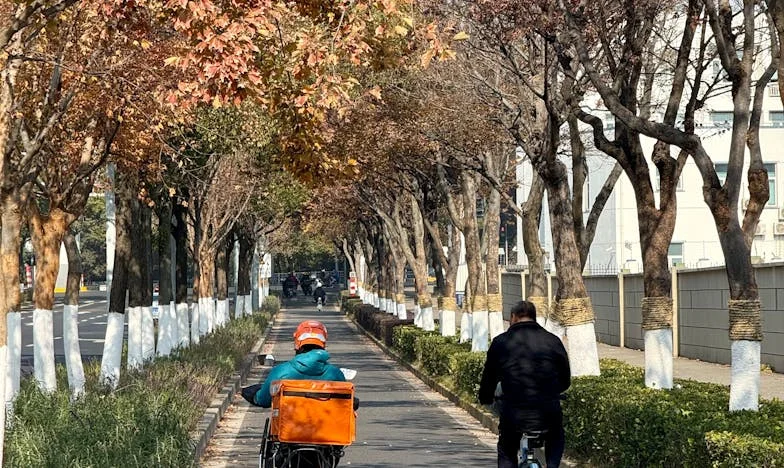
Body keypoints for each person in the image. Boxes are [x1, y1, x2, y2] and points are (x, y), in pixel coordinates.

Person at [478, 300, 571, 468]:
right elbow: (565, 379)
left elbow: (489, 377)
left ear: (513, 317)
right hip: (548, 413)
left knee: (507, 447)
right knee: (556, 437)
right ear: (534, 318)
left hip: (514, 415)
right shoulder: (553, 341)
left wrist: (486, 398)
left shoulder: (501, 342)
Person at [253, 320, 345, 408]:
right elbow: (345, 404)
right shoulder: (336, 374)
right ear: (323, 344)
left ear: (297, 344)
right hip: (326, 423)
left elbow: (263, 400)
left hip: (287, 423)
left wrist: (252, 395)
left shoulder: (281, 371)